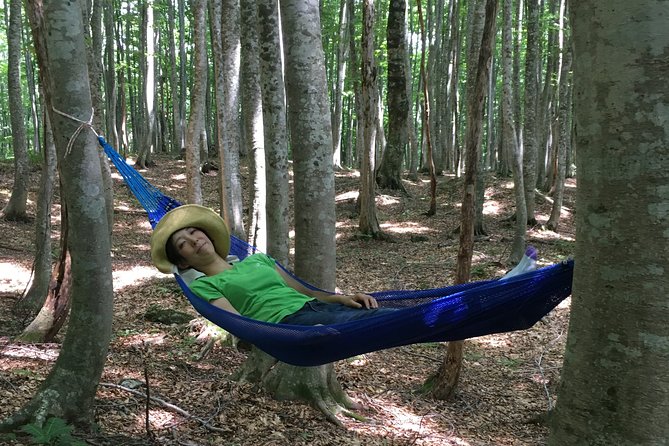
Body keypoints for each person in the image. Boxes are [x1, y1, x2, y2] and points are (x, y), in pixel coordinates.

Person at [150, 204, 398, 325]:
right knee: (384, 321)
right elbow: (241, 323)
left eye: (194, 232)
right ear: (182, 261)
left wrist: (343, 298)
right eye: (183, 244)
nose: (194, 240)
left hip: (317, 309)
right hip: (291, 325)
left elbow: (307, 293)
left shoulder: (259, 260)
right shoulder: (205, 286)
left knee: (387, 315)